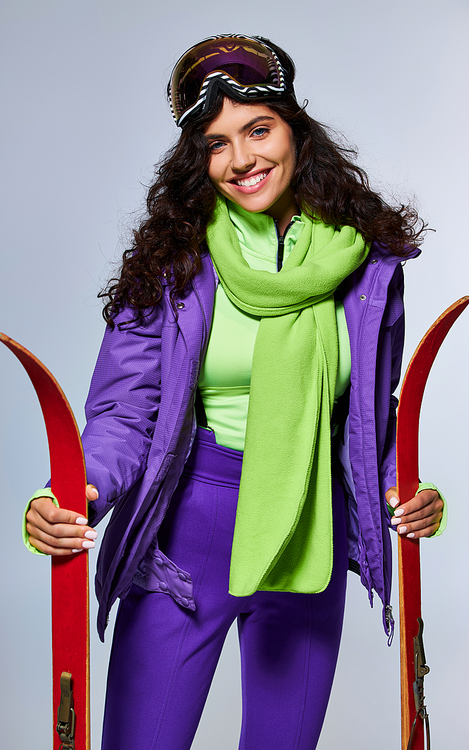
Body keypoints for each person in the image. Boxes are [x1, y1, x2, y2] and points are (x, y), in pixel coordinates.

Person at [24, 35, 445, 750]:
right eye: (217, 143)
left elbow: (373, 411)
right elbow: (126, 409)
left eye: (257, 129)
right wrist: (73, 490)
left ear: (294, 129)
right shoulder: (173, 259)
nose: (243, 159)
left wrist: (405, 488)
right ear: (200, 159)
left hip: (309, 539)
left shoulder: (365, 264)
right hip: (188, 539)